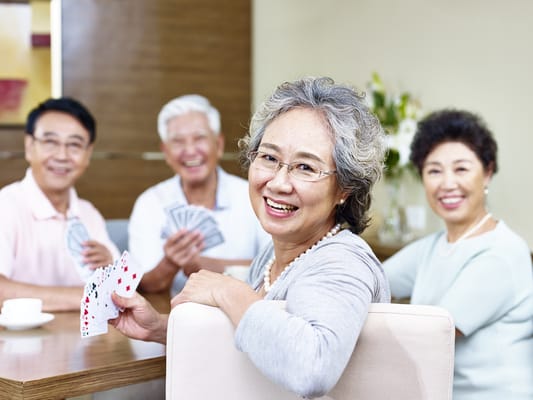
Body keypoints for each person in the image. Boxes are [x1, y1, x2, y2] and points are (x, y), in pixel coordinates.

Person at [111, 77, 390, 398]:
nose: (279, 183)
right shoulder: (275, 256)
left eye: (305, 167)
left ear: (344, 188)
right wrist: (162, 328)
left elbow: (311, 367)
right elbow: (258, 342)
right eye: (269, 158)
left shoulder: (341, 259)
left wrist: (226, 288)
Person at [383, 110, 533, 400]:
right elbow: (374, 278)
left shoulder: (502, 253)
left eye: (461, 169)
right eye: (434, 171)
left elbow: (435, 332)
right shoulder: (435, 245)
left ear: (487, 173)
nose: (447, 183)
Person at [128, 94, 269, 295]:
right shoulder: (149, 203)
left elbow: (277, 267)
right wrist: (170, 263)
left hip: (242, 316)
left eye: (199, 138)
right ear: (166, 152)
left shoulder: (252, 195)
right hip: (173, 318)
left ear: (218, 145)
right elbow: (144, 286)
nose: (190, 151)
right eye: (178, 142)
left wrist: (211, 266)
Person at [0, 97, 119, 312]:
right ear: (29, 146)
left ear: (88, 154)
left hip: (88, 343)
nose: (62, 156)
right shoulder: (6, 206)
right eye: (50, 142)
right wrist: (87, 296)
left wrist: (110, 267)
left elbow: (119, 292)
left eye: (74, 145)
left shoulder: (89, 213)